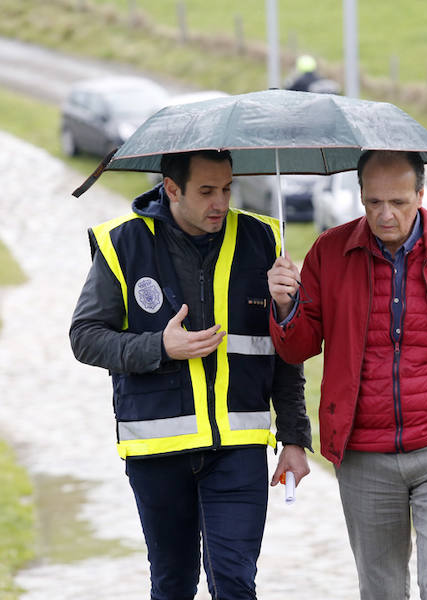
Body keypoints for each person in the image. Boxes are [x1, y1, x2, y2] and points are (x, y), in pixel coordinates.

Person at [267, 150, 427, 599]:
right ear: (361, 197)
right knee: (381, 589)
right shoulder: (330, 252)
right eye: (373, 202)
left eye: (399, 202)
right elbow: (298, 346)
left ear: (421, 194)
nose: (385, 215)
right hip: (365, 455)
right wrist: (286, 306)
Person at [69, 149, 311, 600]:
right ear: (171, 188)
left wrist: (287, 309)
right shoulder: (121, 243)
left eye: (226, 189)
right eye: (206, 192)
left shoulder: (262, 241)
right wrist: (160, 346)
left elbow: (284, 350)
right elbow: (84, 337)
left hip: (238, 449)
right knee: (172, 584)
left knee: (235, 584)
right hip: (158, 450)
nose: (219, 202)